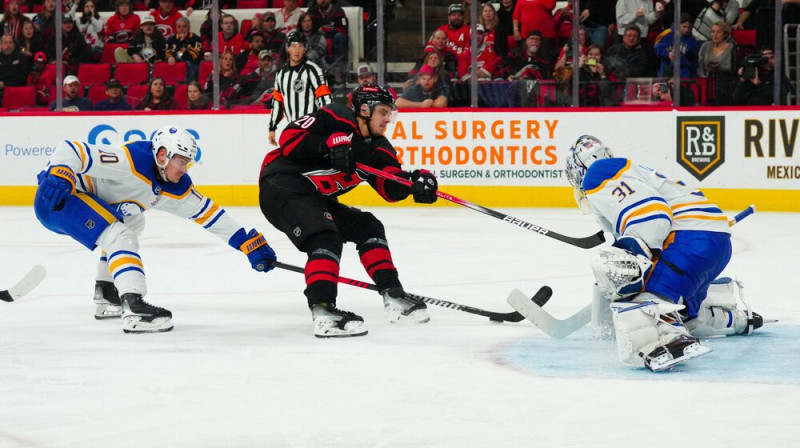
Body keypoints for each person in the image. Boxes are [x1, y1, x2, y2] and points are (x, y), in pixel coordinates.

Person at [33, 125, 277, 333]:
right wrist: (60, 174)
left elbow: (209, 214)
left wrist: (246, 242)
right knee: (120, 235)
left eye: (187, 163)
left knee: (134, 221)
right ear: (162, 155)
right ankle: (134, 305)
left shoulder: (175, 185)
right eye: (181, 162)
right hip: (57, 198)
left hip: (80, 203)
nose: (185, 169)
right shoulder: (131, 161)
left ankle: (107, 291)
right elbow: (71, 149)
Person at [564, 135, 763, 371]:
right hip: (715, 243)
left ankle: (668, 340)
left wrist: (634, 258)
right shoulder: (626, 170)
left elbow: (653, 216)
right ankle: (731, 319)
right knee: (689, 316)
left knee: (628, 281)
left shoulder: (599, 172)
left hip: (688, 241)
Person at [258, 84, 437, 338]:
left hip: (316, 198)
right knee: (325, 237)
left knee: (368, 226)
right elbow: (290, 137)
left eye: (390, 114)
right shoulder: (337, 116)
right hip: (282, 184)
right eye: (384, 112)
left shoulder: (378, 147)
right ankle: (323, 312)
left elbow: (389, 185)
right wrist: (327, 146)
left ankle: (393, 295)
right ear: (365, 109)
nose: (388, 119)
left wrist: (415, 183)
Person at [268, 31, 331, 146]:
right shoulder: (281, 74)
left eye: (300, 46)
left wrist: (327, 124)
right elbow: (278, 102)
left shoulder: (313, 70)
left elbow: (325, 98)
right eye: (293, 46)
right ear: (288, 49)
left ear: (305, 49)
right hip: (292, 129)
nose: (297, 50)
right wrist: (272, 127)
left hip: (312, 129)